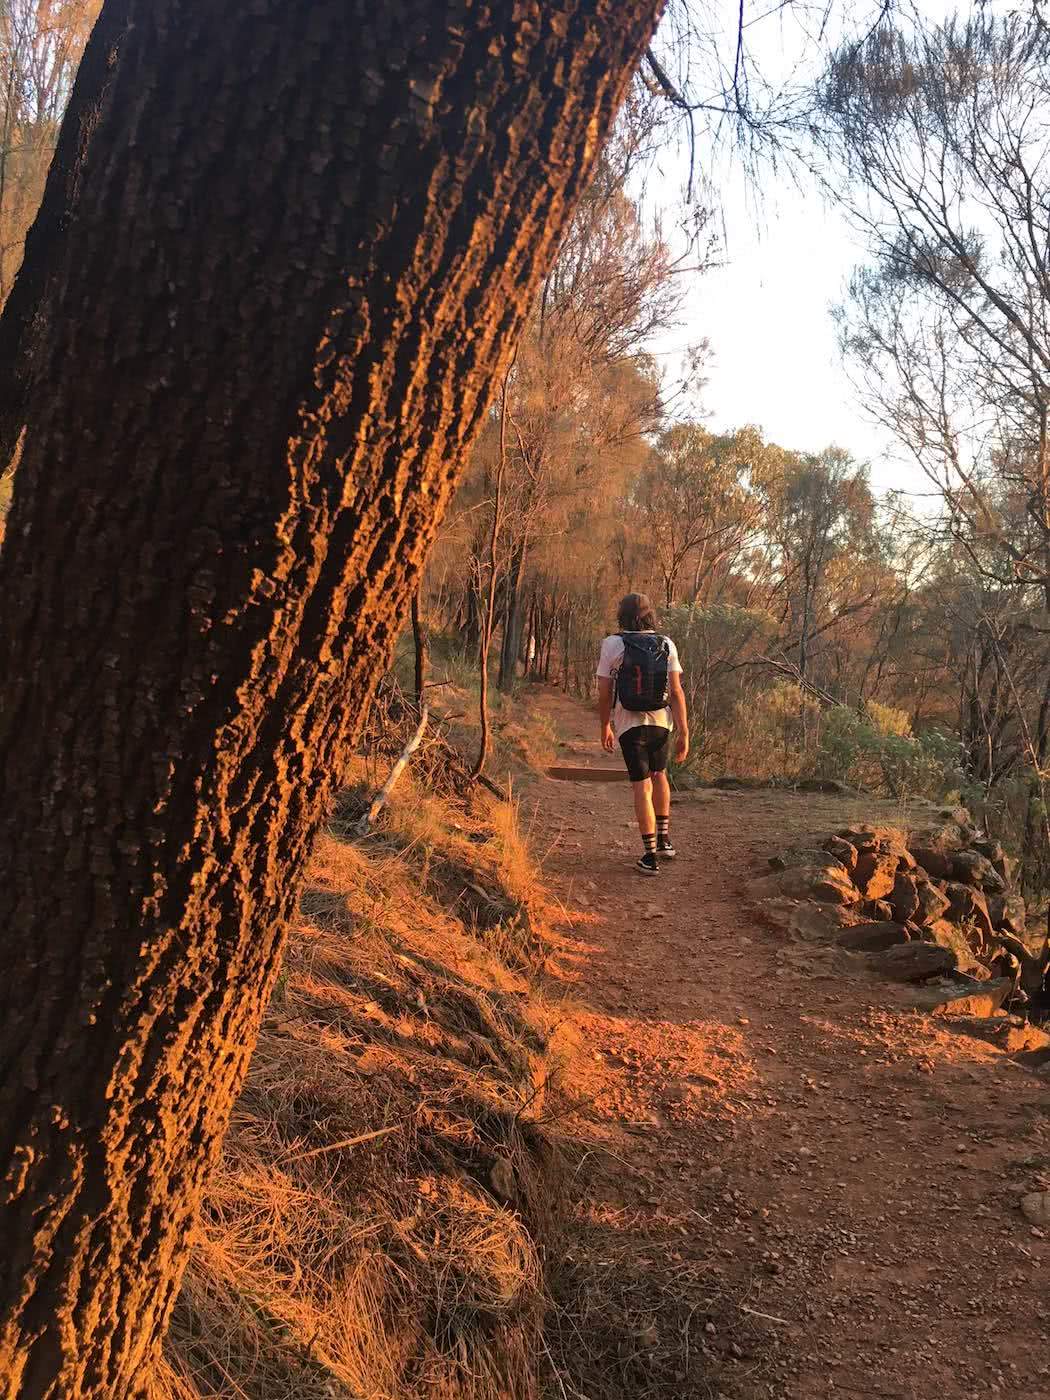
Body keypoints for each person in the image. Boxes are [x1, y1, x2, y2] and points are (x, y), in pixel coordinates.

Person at [596, 593, 689, 876]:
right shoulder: (666, 643)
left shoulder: (613, 644)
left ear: (621, 615)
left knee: (641, 786)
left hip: (630, 724)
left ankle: (649, 856)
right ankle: (664, 840)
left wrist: (605, 725)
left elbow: (604, 690)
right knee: (659, 776)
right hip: (662, 722)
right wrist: (684, 731)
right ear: (650, 615)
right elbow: (675, 691)